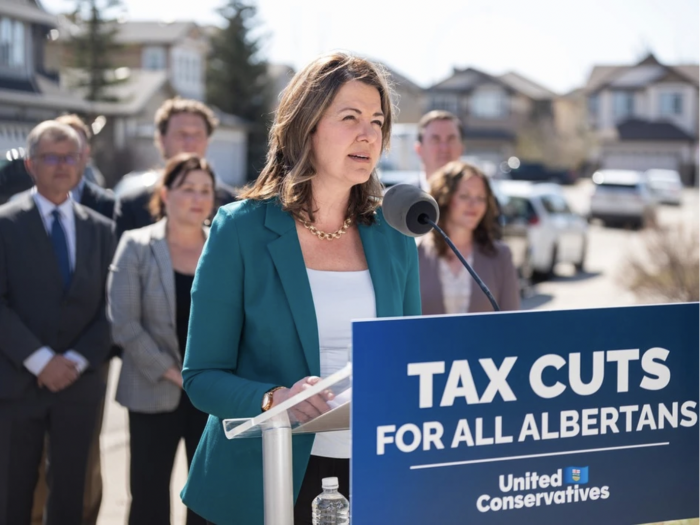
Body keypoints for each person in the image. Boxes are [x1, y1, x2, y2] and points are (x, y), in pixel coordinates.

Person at [179, 52, 421, 525]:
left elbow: (408, 362)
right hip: (258, 482)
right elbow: (202, 377)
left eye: (376, 120)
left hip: (372, 478)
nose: (368, 134)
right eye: (349, 117)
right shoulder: (240, 229)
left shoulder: (395, 237)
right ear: (306, 126)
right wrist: (274, 398)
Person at [0, 121, 115, 524]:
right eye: (51, 157)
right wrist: (40, 360)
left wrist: (77, 360)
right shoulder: (5, 223)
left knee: (70, 497)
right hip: (18, 383)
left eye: (71, 156)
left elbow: (110, 305)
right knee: (13, 495)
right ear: (31, 164)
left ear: (83, 161)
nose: (62, 165)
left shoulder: (101, 229)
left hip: (77, 384)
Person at [107, 153, 215, 525]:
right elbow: (124, 324)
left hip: (213, 396)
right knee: (149, 497)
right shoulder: (137, 245)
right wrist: (175, 373)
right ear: (165, 193)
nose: (198, 197)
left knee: (208, 498)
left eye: (206, 189)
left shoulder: (222, 246)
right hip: (152, 390)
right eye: (188, 188)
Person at [113, 97, 236, 239]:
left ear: (207, 141)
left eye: (197, 135)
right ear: (162, 140)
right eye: (181, 134)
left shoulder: (231, 206)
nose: (190, 142)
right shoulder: (132, 207)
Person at [418, 160, 520, 314]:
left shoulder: (501, 255)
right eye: (465, 196)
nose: (474, 204)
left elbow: (513, 324)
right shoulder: (414, 252)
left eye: (481, 198)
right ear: (444, 198)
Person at [414, 110, 464, 191]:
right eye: (435, 140)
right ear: (419, 149)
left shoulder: (482, 201)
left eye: (451, 140)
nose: (444, 148)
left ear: (461, 148)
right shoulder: (395, 200)